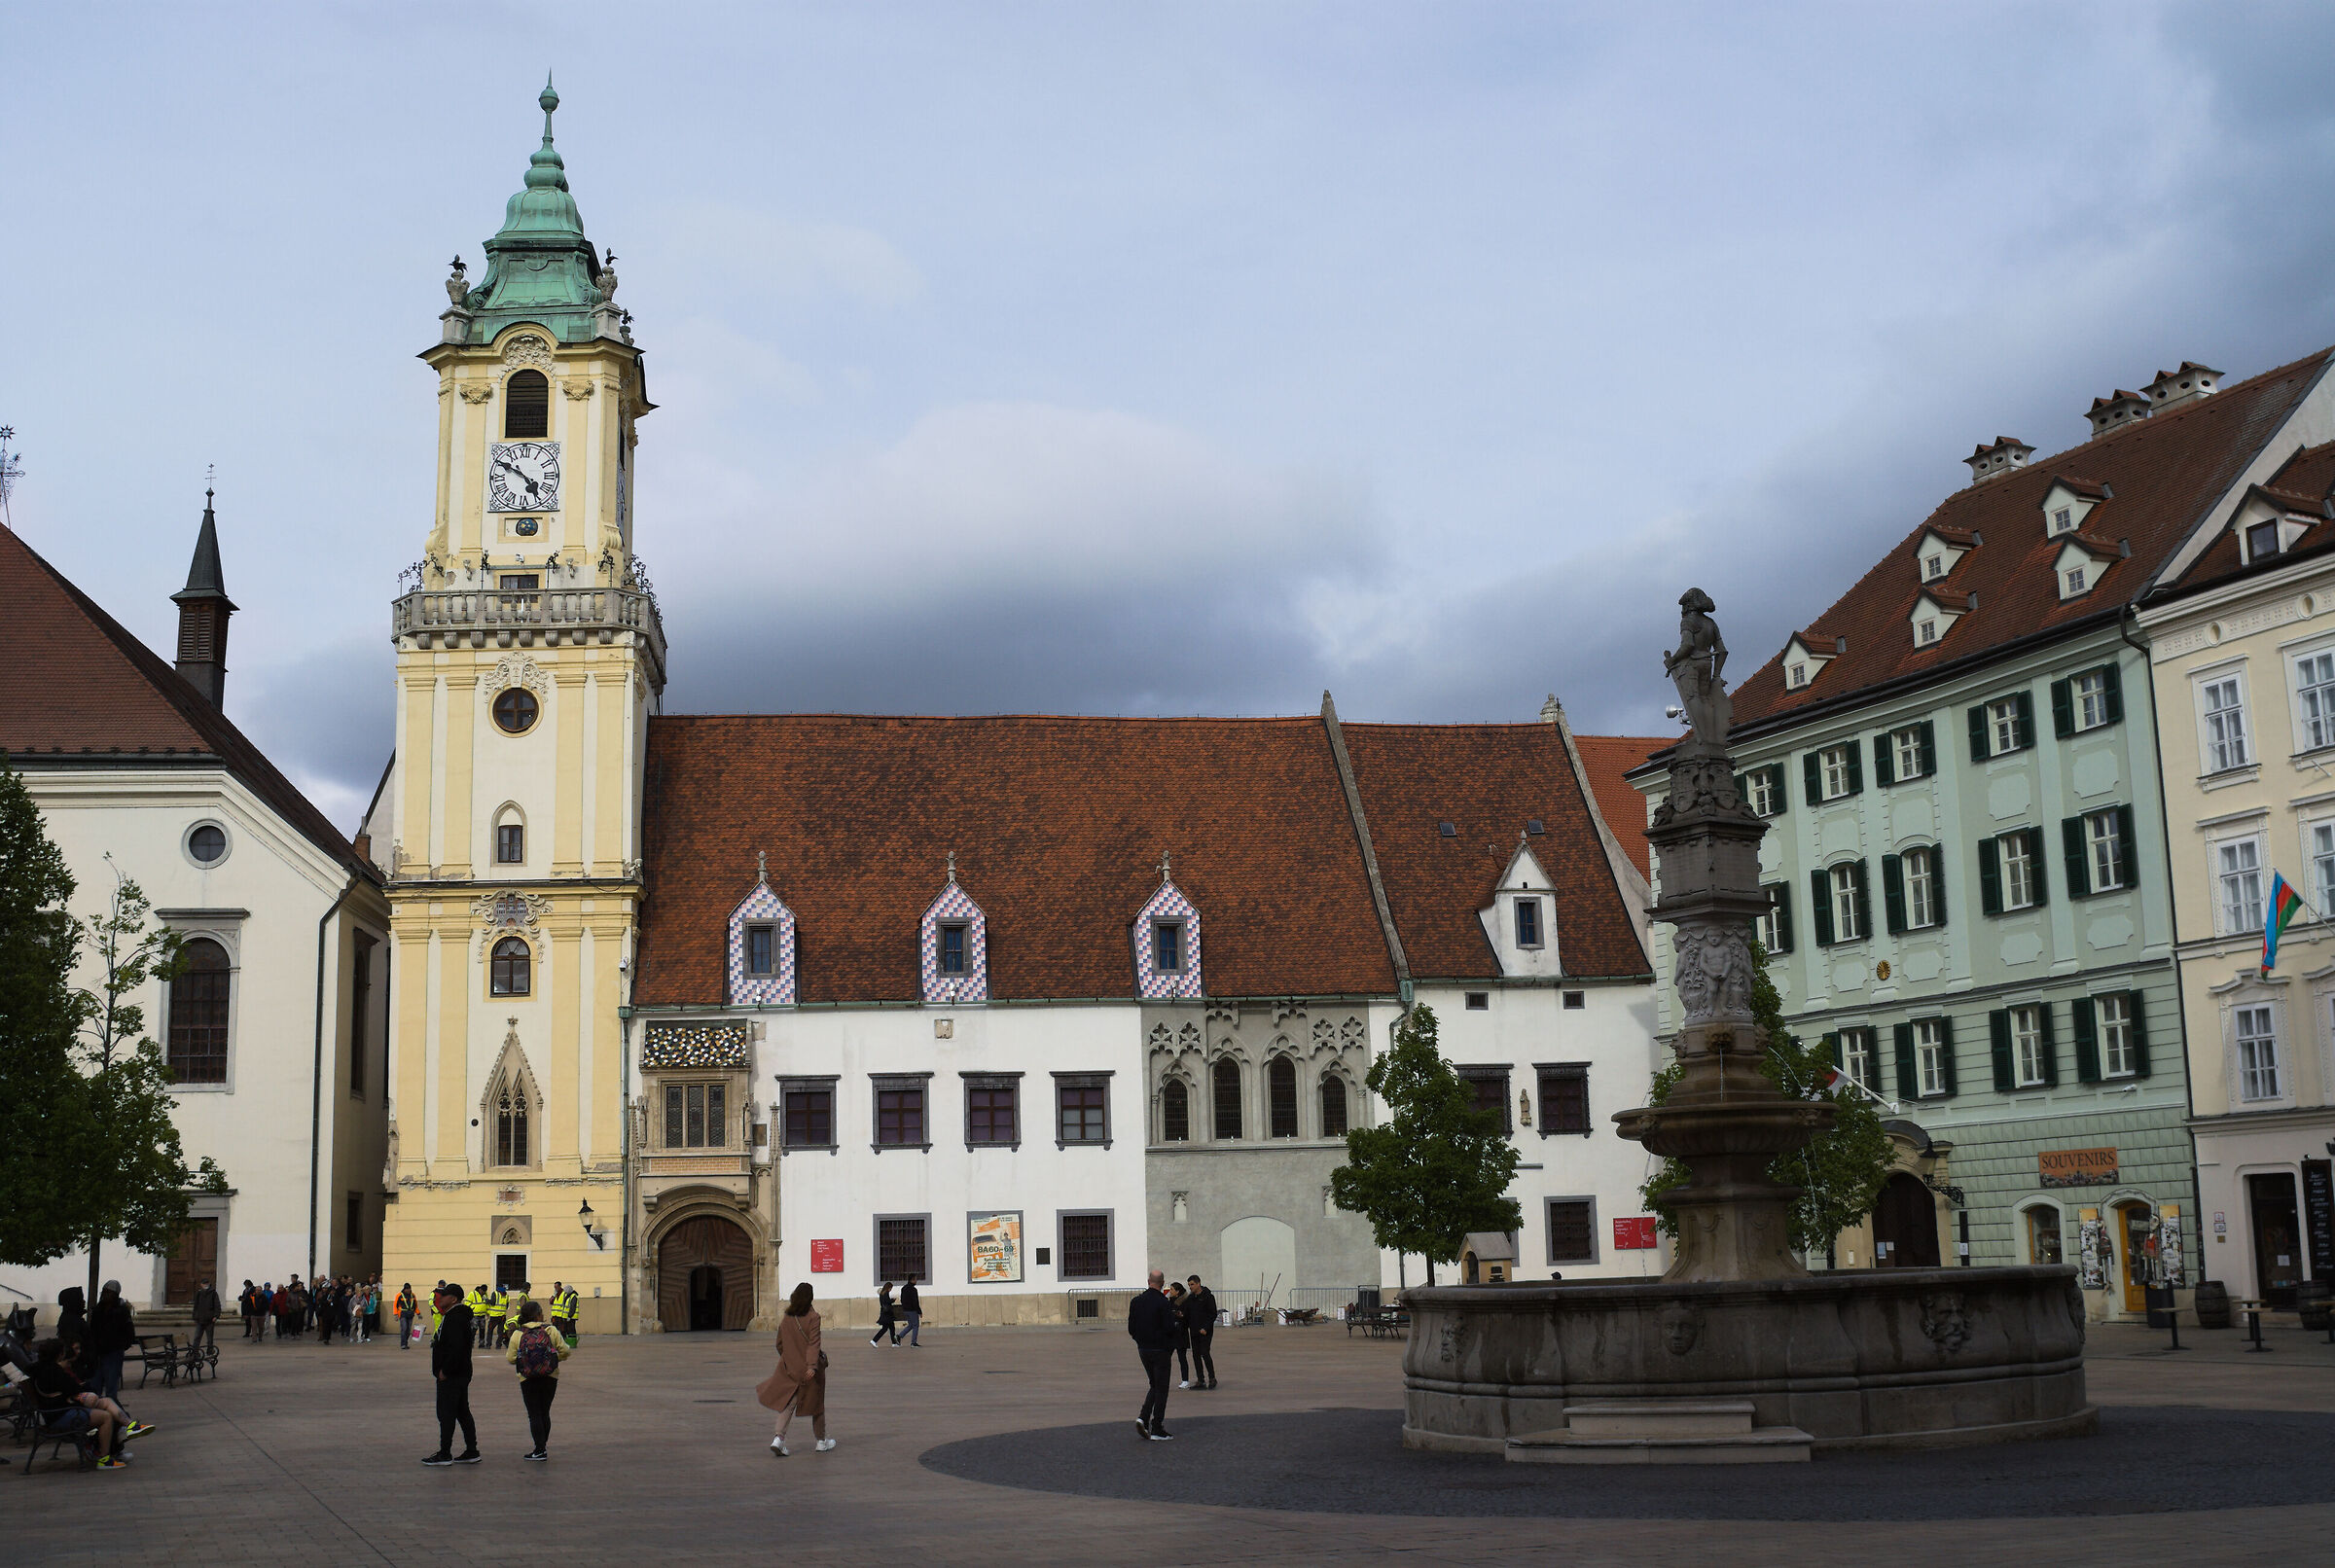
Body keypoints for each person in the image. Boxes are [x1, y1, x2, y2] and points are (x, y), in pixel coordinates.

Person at [26, 1337, 154, 1471]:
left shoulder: (40, 1368)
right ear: (59, 1354)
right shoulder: (54, 1371)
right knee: (106, 1417)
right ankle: (105, 1458)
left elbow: (70, 1389)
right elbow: (74, 1388)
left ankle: (131, 1426)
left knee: (107, 1402)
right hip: (61, 1415)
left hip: (60, 1410)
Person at [756, 1282, 832, 1455]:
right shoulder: (814, 1317)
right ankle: (821, 1441)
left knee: (789, 1403)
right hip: (808, 1369)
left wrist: (789, 1358)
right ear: (810, 1297)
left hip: (791, 1367)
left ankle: (779, 1438)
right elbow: (814, 1343)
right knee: (817, 1403)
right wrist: (812, 1365)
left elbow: (779, 1343)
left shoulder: (787, 1316)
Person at [503, 1300, 571, 1461]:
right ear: (539, 1315)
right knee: (544, 1412)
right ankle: (543, 1445)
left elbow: (511, 1359)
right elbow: (566, 1351)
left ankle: (539, 1449)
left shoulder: (518, 1334)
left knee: (533, 1414)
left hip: (527, 1378)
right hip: (550, 1376)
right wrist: (553, 1359)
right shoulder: (551, 1330)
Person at [421, 1284, 481, 1466]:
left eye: (444, 1295)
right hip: (461, 1372)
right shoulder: (458, 1317)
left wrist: (444, 1371)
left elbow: (456, 1348)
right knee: (462, 1412)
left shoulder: (455, 1319)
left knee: (446, 1413)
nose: (440, 1298)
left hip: (452, 1374)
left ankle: (445, 1453)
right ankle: (472, 1450)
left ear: (453, 1299)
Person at [1128, 1269, 1177, 1441]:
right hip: (1161, 1350)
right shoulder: (1163, 1303)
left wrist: (1140, 1341)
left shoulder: (1136, 1301)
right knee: (1162, 1388)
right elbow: (1170, 1328)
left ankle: (1143, 1417)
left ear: (1148, 1281)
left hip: (1144, 1349)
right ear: (1162, 1283)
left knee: (1155, 1385)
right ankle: (1157, 1428)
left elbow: (1131, 1328)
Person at [87, 1281, 136, 1402]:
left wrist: (122, 1345)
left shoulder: (121, 1311)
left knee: (111, 1385)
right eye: (104, 1292)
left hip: (113, 1352)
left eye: (108, 1292)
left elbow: (129, 1331)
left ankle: (111, 1410)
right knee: (95, 1385)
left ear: (115, 1294)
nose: (105, 1295)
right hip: (98, 1352)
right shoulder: (98, 1310)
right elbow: (93, 1329)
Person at [1186, 1275, 1218, 1390]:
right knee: (1196, 1355)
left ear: (1198, 1283)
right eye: (1189, 1285)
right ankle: (1200, 1380)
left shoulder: (1208, 1297)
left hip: (1205, 1331)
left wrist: (1206, 1327)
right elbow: (1187, 1313)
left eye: (1192, 1284)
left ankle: (1212, 1378)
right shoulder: (1191, 1298)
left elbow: (1213, 1314)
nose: (1190, 1287)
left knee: (1205, 1353)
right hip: (1194, 1331)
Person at [1168, 1281, 1193, 1388]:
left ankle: (1185, 1380)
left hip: (1181, 1333)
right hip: (1171, 1333)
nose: (1170, 1291)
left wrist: (1179, 1314)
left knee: (1182, 1358)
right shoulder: (1169, 1301)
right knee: (1165, 1358)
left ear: (1177, 1292)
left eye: (1172, 1289)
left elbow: (1185, 1316)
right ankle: (1163, 1379)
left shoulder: (1184, 1302)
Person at [191, 1278, 221, 1357]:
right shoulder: (199, 1293)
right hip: (200, 1319)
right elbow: (195, 1306)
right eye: (204, 1284)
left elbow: (217, 1305)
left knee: (210, 1338)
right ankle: (195, 1352)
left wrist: (216, 1316)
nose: (205, 1285)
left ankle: (210, 1350)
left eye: (206, 1283)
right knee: (197, 1337)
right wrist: (194, 1316)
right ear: (201, 1284)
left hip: (210, 1319)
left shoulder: (213, 1293)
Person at [896, 1279, 922, 1348]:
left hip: (905, 1310)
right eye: (915, 1279)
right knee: (916, 1325)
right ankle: (913, 1342)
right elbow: (915, 1301)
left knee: (911, 1325)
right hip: (912, 1310)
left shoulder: (903, 1288)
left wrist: (904, 1307)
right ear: (912, 1280)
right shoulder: (913, 1290)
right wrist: (919, 1311)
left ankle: (899, 1336)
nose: (916, 1281)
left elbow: (901, 1299)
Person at [870, 1281, 896, 1347]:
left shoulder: (881, 1293)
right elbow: (887, 1301)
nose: (891, 1290)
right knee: (886, 1329)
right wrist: (893, 1300)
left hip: (885, 1313)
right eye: (891, 1288)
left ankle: (894, 1343)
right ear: (888, 1287)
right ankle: (874, 1340)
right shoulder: (886, 1293)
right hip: (887, 1314)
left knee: (891, 1328)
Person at [396, 1284, 418, 1350]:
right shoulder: (399, 1295)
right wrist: (395, 1314)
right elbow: (395, 1305)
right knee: (404, 1328)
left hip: (410, 1314)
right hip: (403, 1314)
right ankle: (403, 1344)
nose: (409, 1290)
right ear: (405, 1289)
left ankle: (405, 1343)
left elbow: (415, 1305)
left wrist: (418, 1313)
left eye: (410, 1289)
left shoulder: (413, 1295)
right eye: (408, 1289)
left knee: (408, 1330)